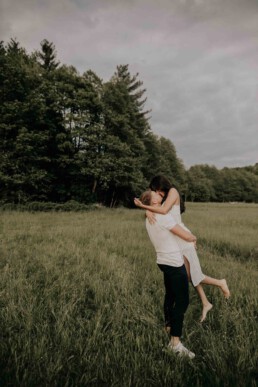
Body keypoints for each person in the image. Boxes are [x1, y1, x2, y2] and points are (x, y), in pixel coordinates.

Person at [134, 175, 230, 323]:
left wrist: (144, 207)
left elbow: (164, 210)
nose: (155, 193)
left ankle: (220, 283)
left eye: (156, 190)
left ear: (160, 186)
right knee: (189, 275)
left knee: (191, 275)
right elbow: (158, 208)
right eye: (154, 192)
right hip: (175, 239)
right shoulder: (162, 198)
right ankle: (206, 303)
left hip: (182, 237)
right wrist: (148, 211)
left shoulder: (172, 191)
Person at [139, 189, 197, 359]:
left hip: (162, 262)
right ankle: (175, 344)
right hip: (173, 263)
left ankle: (168, 326)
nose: (159, 193)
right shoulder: (162, 217)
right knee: (182, 300)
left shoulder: (149, 217)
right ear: (154, 202)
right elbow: (186, 236)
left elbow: (157, 209)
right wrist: (193, 237)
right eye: (155, 194)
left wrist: (147, 208)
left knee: (170, 295)